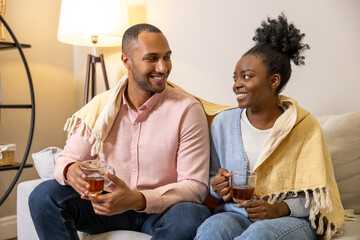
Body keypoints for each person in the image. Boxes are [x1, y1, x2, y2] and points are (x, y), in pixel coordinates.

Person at [29, 23, 211, 240]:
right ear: (126, 60)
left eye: (167, 57)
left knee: (191, 215)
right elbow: (66, 158)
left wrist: (137, 199)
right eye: (152, 58)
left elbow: (195, 187)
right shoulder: (101, 107)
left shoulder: (188, 109)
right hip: (106, 208)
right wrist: (70, 170)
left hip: (161, 211)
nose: (163, 68)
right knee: (43, 195)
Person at [195, 14, 344, 240]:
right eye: (235, 77)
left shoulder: (303, 127)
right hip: (236, 213)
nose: (237, 85)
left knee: (259, 233)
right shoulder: (222, 123)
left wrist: (277, 209)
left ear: (273, 81)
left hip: (290, 220)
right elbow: (212, 177)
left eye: (246, 77)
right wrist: (216, 186)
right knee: (211, 230)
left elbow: (318, 196)